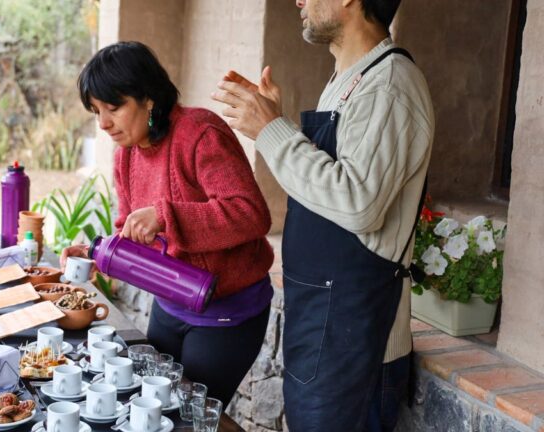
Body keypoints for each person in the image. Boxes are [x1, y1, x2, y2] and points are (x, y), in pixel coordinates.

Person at [212, 0, 434, 430]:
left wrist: (271, 131)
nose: (298, 0)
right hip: (325, 326)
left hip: (357, 339)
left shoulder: (388, 83)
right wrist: (277, 125)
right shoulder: (352, 78)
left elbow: (359, 202)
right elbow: (331, 186)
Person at [61, 41, 275, 408]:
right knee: (150, 406)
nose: (103, 123)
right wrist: (98, 252)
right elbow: (133, 235)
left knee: (187, 416)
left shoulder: (200, 133)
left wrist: (165, 215)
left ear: (149, 99)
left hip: (227, 312)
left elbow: (251, 214)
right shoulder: (126, 155)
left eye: (113, 107)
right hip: (171, 303)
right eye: (96, 111)